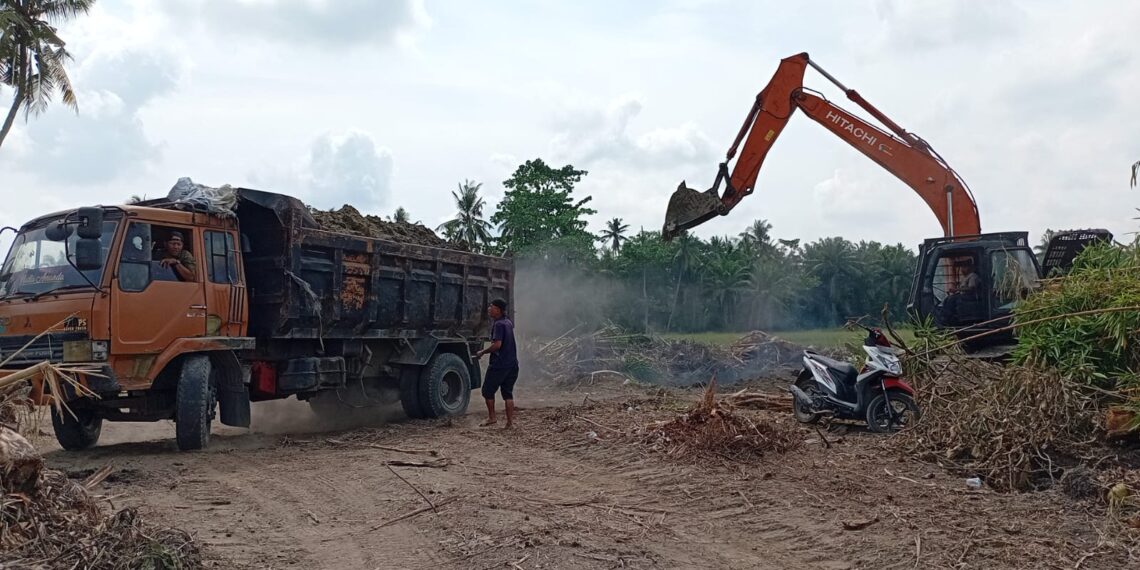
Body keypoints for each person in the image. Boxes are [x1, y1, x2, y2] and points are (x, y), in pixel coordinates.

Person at [475, 298, 518, 428]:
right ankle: (510, 423)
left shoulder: (498, 324)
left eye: (491, 306)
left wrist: (483, 352)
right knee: (508, 394)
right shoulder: (508, 322)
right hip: (512, 364)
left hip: (499, 365)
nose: (489, 308)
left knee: (487, 391)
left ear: (498, 310)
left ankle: (492, 418)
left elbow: (497, 345)